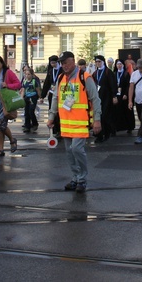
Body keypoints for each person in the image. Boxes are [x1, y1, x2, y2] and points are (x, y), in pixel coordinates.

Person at [46, 51, 102, 193]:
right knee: (69, 153)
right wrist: (51, 116)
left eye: (66, 62)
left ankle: (82, 179)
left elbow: (95, 99)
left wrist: (97, 120)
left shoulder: (84, 77)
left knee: (77, 149)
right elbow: (55, 98)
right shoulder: (60, 78)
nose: (64, 65)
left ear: (73, 61)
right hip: (66, 123)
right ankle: (75, 178)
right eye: (62, 63)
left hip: (81, 123)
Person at [0, 55, 22, 157]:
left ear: (2, 63)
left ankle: (11, 140)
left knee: (0, 126)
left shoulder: (8, 73)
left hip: (4, 104)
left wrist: (8, 85)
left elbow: (18, 84)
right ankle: (2, 149)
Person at [92, 54, 117, 143]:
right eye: (96, 62)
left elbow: (113, 84)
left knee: (105, 115)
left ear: (103, 62)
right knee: (98, 115)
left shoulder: (108, 72)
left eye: (99, 62)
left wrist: (114, 96)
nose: (98, 63)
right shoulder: (95, 73)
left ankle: (106, 133)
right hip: (98, 97)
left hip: (107, 97)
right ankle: (99, 135)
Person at [40, 55, 61, 136]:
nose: (53, 64)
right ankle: (54, 130)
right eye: (51, 63)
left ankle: (59, 129)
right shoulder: (50, 71)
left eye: (54, 63)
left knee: (59, 112)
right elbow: (46, 84)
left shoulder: (61, 70)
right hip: (52, 94)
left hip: (60, 94)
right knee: (52, 111)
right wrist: (42, 96)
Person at [112, 59, 133, 134]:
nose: (119, 66)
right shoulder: (114, 74)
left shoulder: (126, 74)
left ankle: (129, 127)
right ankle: (117, 127)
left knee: (126, 111)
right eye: (117, 64)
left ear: (123, 65)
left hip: (124, 95)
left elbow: (128, 85)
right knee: (116, 111)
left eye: (120, 64)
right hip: (117, 95)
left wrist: (126, 94)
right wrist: (113, 95)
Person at [21, 66, 41, 133]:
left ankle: (35, 124)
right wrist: (21, 98)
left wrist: (40, 97)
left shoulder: (34, 81)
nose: (27, 76)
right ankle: (27, 126)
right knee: (26, 112)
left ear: (32, 75)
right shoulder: (24, 82)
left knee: (31, 111)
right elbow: (23, 90)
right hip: (27, 98)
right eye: (26, 74)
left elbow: (38, 90)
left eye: (28, 74)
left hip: (33, 98)